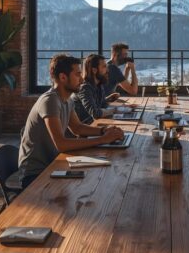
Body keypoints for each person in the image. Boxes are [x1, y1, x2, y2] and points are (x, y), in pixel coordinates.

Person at [18, 54, 125, 189]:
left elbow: (78, 128)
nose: (81, 79)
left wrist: (104, 130)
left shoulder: (67, 99)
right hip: (35, 174)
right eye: (77, 75)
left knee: (98, 179)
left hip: (54, 163)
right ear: (63, 77)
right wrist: (103, 139)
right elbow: (61, 144)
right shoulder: (50, 100)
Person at [74, 54, 118, 124]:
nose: (107, 70)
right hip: (85, 130)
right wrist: (115, 110)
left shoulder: (99, 85)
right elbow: (95, 113)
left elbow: (102, 105)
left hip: (93, 124)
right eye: (104, 67)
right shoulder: (85, 88)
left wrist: (108, 99)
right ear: (94, 70)